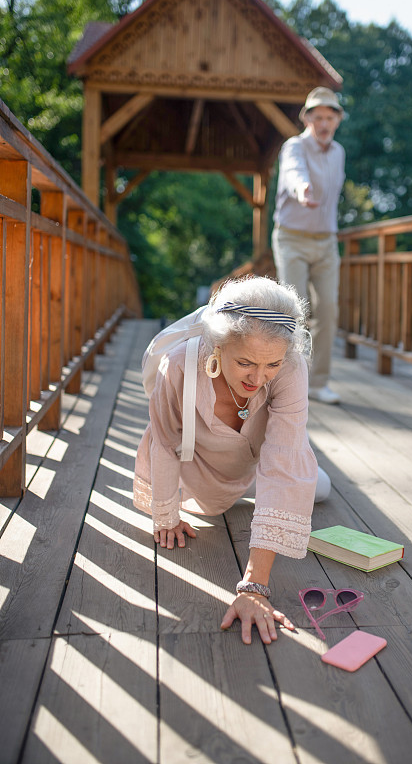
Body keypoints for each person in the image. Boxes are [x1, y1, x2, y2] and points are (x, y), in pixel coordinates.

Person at [133, 276, 331, 645]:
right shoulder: (177, 364)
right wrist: (167, 513)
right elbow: (163, 440)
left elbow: (283, 461)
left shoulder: (291, 368)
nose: (259, 377)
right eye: (245, 362)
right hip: (195, 467)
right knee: (208, 510)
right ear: (217, 344)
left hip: (252, 464)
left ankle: (308, 478)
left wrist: (254, 586)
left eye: (271, 364)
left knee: (321, 487)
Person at [272, 86, 346, 404]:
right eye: (318, 117)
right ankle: (286, 383)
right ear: (307, 119)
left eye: (330, 117)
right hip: (292, 238)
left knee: (328, 309)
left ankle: (318, 382)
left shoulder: (339, 152)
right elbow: (293, 171)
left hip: (327, 242)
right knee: (294, 309)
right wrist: (302, 189)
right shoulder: (294, 146)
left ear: (338, 120)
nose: (324, 123)